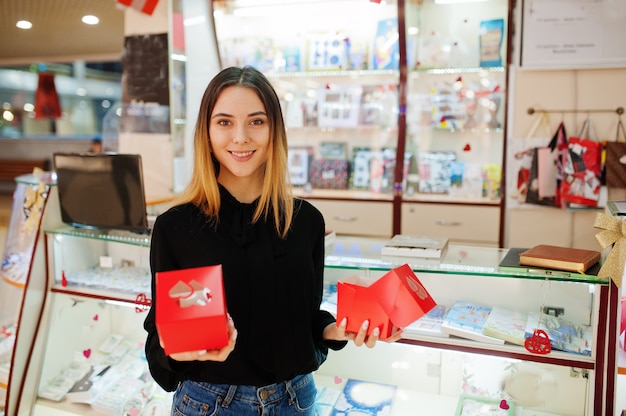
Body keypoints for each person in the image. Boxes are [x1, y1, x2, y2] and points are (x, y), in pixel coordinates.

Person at [143, 66, 402, 415]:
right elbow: (159, 343)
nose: (240, 137)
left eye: (256, 121)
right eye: (224, 122)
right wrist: (183, 349)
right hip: (210, 403)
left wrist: (340, 328)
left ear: (274, 130)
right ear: (205, 132)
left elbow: (305, 318)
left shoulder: (306, 222)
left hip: (297, 400)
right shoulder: (175, 228)